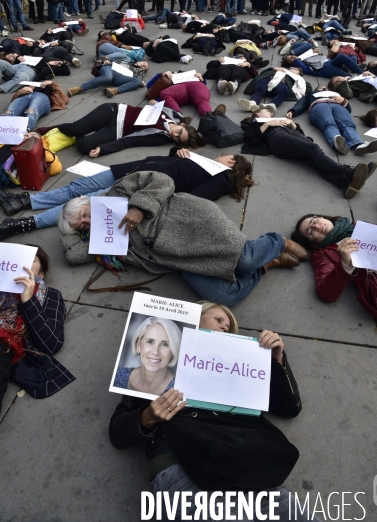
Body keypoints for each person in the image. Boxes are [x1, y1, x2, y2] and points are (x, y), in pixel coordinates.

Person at [108, 302, 323, 522]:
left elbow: (289, 408)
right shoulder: (160, 365)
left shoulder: (241, 365)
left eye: (228, 327)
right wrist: (148, 416)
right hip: (183, 464)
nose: (224, 328)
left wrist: (277, 360)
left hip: (246, 466)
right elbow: (117, 432)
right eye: (218, 320)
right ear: (194, 318)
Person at [58, 171, 310, 307]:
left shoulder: (118, 191)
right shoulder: (102, 242)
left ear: (87, 202)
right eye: (82, 226)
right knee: (225, 298)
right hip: (178, 259)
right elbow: (73, 256)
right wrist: (68, 232)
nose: (88, 221)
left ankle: (278, 242)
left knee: (244, 260)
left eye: (84, 214)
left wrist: (140, 207)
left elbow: (162, 179)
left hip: (190, 222)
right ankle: (266, 265)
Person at [0, 152, 254, 236]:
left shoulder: (219, 178)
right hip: (130, 170)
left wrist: (145, 205)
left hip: (137, 187)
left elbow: (190, 197)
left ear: (231, 162)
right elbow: (169, 161)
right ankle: (26, 201)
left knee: (83, 204)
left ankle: (24, 223)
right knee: (76, 187)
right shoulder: (204, 162)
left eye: (226, 155)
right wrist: (179, 150)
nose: (220, 155)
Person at [239, 108, 377, 199]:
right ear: (257, 113)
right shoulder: (253, 123)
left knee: (311, 159)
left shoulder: (279, 121)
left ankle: (344, 182)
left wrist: (293, 125)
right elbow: (251, 139)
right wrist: (268, 124)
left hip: (290, 133)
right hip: (277, 138)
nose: (270, 114)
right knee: (312, 148)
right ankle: (348, 172)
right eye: (267, 112)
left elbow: (301, 135)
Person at [0, 246, 74, 412]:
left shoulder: (50, 295)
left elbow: (52, 343)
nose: (22, 263)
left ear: (40, 275)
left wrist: (28, 300)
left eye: (30, 259)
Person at [291, 215, 377, 324]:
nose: (316, 227)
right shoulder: (323, 254)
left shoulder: (358, 226)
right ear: (312, 243)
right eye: (310, 232)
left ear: (322, 217)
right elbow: (325, 292)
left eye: (314, 221)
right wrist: (345, 264)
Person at [37, 102, 203, 157]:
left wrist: (103, 149)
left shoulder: (160, 137)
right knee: (74, 128)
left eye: (177, 139)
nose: (174, 135)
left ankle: (85, 131)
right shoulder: (174, 114)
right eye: (179, 132)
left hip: (116, 129)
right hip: (114, 111)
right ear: (181, 125)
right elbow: (164, 98)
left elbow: (129, 141)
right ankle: (42, 130)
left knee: (84, 146)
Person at [286, 90, 377, 156]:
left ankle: (359, 145)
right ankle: (337, 143)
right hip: (319, 105)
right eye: (320, 87)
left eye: (325, 87)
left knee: (348, 124)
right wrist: (293, 111)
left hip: (338, 106)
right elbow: (301, 104)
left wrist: (344, 101)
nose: (322, 87)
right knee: (329, 123)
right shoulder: (311, 94)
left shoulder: (336, 93)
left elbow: (348, 110)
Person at [114, 317, 181, 394]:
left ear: (173, 351)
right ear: (138, 345)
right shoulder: (117, 376)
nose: (155, 352)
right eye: (150, 342)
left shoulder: (180, 390)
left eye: (164, 344)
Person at [2, 80, 68, 131]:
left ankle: (23, 131)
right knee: (9, 112)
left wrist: (52, 83)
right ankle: (3, 130)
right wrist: (22, 91)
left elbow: (64, 99)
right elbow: (13, 100)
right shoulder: (31, 86)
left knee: (31, 111)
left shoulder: (52, 87)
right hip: (25, 96)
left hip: (42, 97)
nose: (43, 82)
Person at [66, 59, 148, 98]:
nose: (143, 65)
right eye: (144, 63)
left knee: (138, 81)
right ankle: (79, 89)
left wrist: (141, 81)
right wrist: (106, 61)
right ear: (140, 61)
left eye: (145, 67)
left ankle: (115, 90)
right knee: (108, 77)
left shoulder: (139, 72)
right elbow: (110, 59)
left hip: (119, 77)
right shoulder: (127, 60)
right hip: (109, 68)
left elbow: (139, 79)